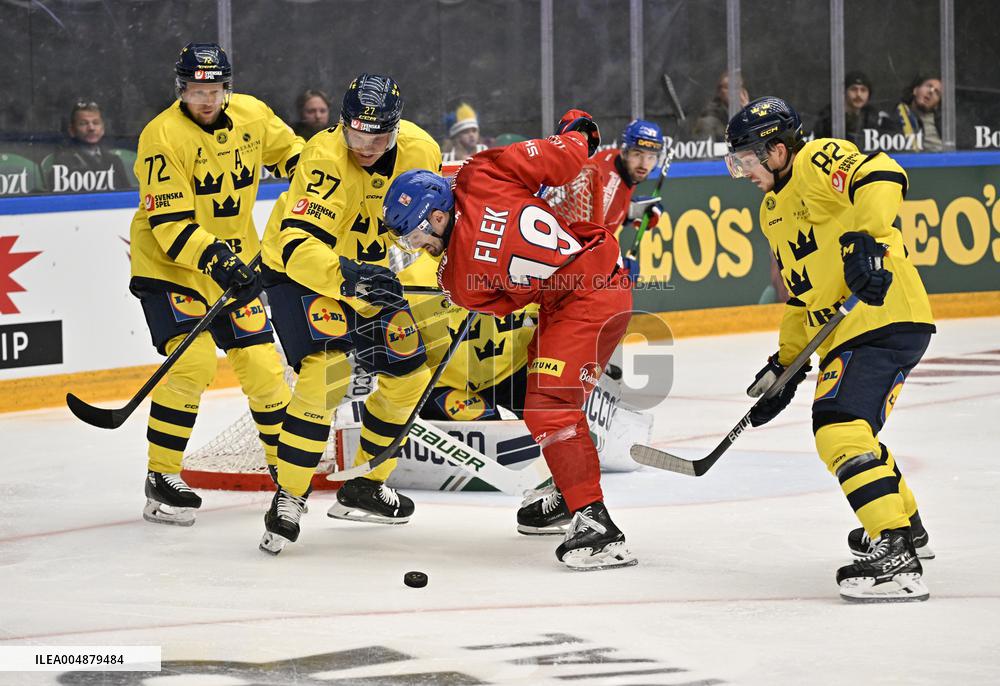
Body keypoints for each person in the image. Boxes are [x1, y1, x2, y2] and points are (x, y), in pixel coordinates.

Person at [382, 109, 638, 571]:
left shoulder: (457, 280)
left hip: (585, 299)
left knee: (549, 407)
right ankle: (567, 491)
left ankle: (595, 523)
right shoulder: (484, 172)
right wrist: (579, 132)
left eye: (418, 234)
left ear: (438, 214)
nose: (417, 246)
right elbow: (562, 158)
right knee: (536, 394)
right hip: (584, 289)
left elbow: (504, 303)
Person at [723, 96, 936, 602]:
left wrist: (867, 234)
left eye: (748, 160)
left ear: (777, 150)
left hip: (882, 313)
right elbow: (803, 297)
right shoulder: (771, 210)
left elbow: (882, 171)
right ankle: (904, 524)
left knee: (839, 427)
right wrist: (786, 365)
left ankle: (895, 552)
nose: (744, 172)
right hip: (851, 329)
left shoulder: (817, 160)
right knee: (850, 428)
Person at [257, 73, 442, 554]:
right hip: (301, 273)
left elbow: (440, 218)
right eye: (357, 134)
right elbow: (298, 244)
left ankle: (365, 483)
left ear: (396, 129)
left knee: (409, 375)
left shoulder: (423, 151)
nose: (366, 146)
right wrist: (346, 277)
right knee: (326, 373)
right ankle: (290, 496)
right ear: (343, 125)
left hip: (368, 274)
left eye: (378, 137)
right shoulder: (323, 157)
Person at [128, 43, 304, 526]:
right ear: (181, 89)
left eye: (214, 89)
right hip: (172, 267)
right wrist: (220, 261)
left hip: (233, 262)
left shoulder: (252, 115)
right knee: (195, 361)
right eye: (196, 90)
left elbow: (296, 158)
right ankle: (162, 476)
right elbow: (170, 224)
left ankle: (289, 474)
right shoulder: (162, 136)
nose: (206, 99)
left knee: (264, 368)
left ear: (227, 87)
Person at [515, 118, 667, 536]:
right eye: (637, 153)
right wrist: (612, 255)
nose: (643, 162)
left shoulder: (619, 178)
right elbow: (581, 227)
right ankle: (571, 490)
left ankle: (569, 486)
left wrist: (637, 213)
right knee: (554, 391)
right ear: (623, 149)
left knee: (564, 388)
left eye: (651, 156)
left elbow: (603, 222)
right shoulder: (594, 174)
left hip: (570, 280)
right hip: (558, 283)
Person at [46, 101, 131, 192]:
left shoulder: (114, 160)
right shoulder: (63, 161)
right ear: (72, 130)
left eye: (96, 123)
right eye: (83, 123)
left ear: (103, 129)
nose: (91, 128)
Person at [813, 71, 887, 148]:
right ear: (844, 92)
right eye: (854, 89)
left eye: (863, 90)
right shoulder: (828, 117)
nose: (858, 94)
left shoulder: (874, 116)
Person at [888, 75, 943, 152]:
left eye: (937, 92)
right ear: (915, 90)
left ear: (937, 104)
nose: (931, 91)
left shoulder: (944, 123)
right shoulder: (900, 114)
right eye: (928, 86)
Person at [691, 71, 749, 141]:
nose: (735, 92)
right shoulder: (709, 119)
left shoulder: (744, 112)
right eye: (729, 87)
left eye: (738, 87)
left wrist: (747, 111)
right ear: (719, 92)